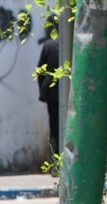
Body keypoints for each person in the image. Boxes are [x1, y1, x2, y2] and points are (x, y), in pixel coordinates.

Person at [37, 16, 60, 156]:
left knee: (55, 128)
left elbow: (40, 70)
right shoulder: (72, 44)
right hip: (67, 93)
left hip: (52, 93)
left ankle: (55, 162)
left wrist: (42, 91)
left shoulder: (49, 45)